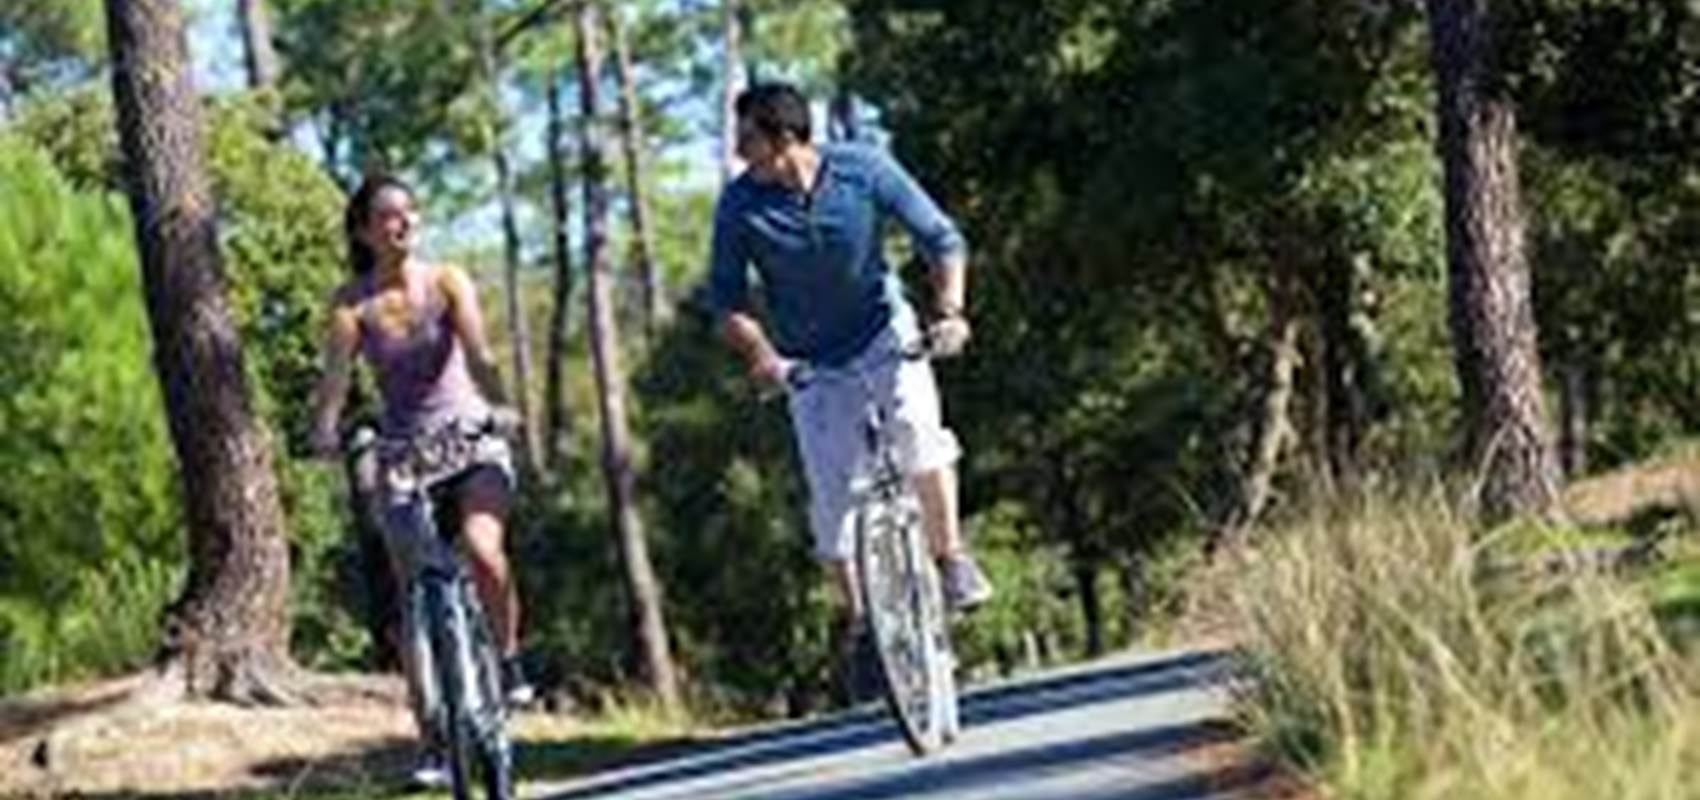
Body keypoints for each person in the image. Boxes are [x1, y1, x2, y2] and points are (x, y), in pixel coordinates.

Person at [705, 82, 994, 695]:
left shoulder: (863, 168)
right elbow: (726, 300)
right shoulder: (740, 205)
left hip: (883, 332)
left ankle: (950, 559)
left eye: (747, 138)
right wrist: (762, 356)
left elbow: (941, 238)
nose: (738, 151)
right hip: (809, 361)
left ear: (783, 138)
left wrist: (950, 311)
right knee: (833, 504)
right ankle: (863, 624)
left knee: (918, 433)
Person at [310, 173, 532, 788]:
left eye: (409, 212)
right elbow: (333, 385)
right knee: (414, 592)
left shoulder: (447, 281)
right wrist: (327, 430)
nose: (403, 223)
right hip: (404, 453)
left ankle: (509, 663)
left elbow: (481, 358)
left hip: (469, 440)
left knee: (484, 549)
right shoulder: (352, 304)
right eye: (387, 216)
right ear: (364, 231)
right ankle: (433, 739)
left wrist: (503, 407)